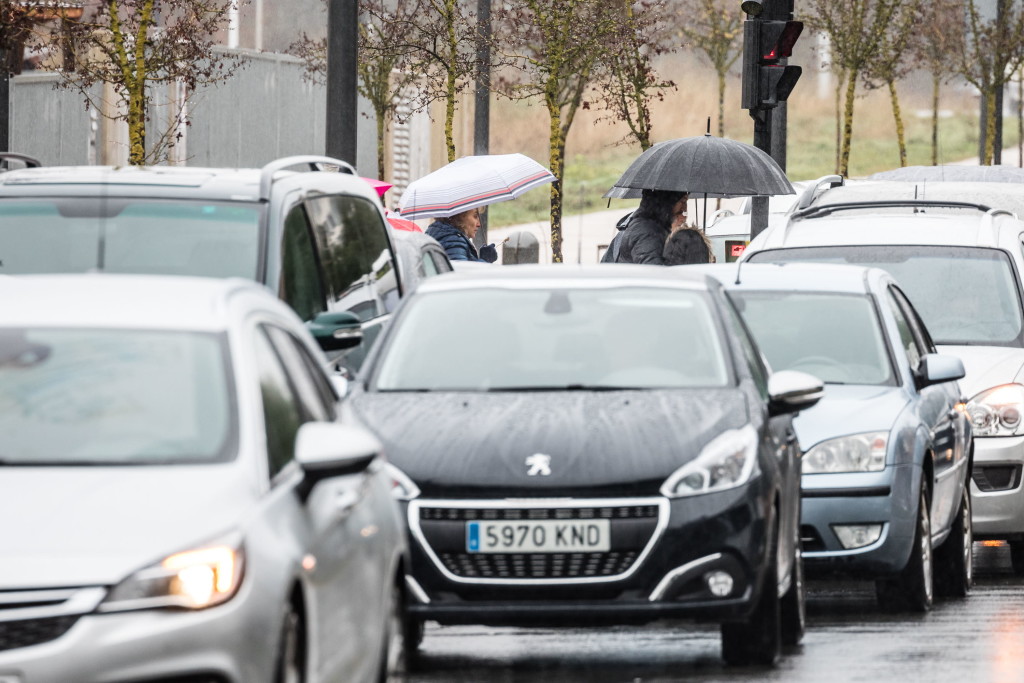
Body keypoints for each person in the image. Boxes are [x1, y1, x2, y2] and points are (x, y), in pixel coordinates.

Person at [604, 189, 688, 265]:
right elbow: (655, 273)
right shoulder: (647, 232)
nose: (685, 209)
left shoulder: (651, 225)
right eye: (683, 202)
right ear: (668, 200)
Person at [426, 208, 498, 263]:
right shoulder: (453, 240)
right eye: (475, 216)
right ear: (459, 216)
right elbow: (461, 276)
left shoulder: (439, 231)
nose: (479, 224)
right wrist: (485, 260)